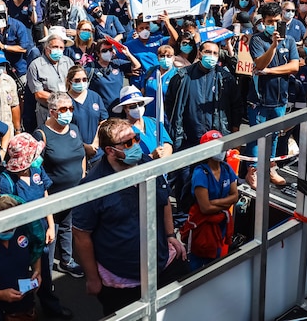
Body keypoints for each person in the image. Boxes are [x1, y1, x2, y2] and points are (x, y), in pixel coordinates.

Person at [73, 118, 187, 316]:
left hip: (160, 265)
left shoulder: (146, 163)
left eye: (136, 138)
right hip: (121, 281)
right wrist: (92, 277)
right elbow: (81, 234)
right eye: (128, 143)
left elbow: (164, 199)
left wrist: (170, 235)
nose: (135, 145)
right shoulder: (93, 186)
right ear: (110, 150)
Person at [0, 133, 71, 319]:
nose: (38, 158)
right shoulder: (6, 181)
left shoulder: (37, 170)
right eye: (34, 155)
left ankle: (51, 309)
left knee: (44, 274)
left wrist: (51, 225)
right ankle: (22, 310)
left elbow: (45, 196)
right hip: (19, 238)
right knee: (21, 277)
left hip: (42, 232)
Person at [244, 2, 300, 187]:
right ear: (263, 22)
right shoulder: (257, 40)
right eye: (269, 22)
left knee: (274, 135)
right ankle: (253, 171)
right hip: (259, 100)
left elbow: (294, 66)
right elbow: (259, 64)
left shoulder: (290, 40)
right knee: (256, 136)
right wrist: (273, 46)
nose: (274, 26)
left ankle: (270, 168)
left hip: (279, 99)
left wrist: (270, 72)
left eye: (277, 21)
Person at [33, 92, 86, 279]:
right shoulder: (41, 134)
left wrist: (82, 174)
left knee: (67, 226)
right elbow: (36, 168)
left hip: (74, 191)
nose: (69, 113)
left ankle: (67, 260)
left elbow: (81, 153)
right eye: (64, 109)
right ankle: (46, 275)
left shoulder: (73, 129)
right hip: (52, 196)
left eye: (71, 109)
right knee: (51, 233)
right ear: (52, 111)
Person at [165, 40, 243, 150]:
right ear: (199, 53)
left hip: (217, 139)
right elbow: (170, 104)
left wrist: (235, 136)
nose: (211, 56)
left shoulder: (226, 78)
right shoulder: (182, 77)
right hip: (188, 140)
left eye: (215, 53)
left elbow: (236, 106)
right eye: (208, 52)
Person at [179, 130, 238, 272]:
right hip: (201, 228)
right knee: (195, 267)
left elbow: (235, 196)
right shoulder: (200, 173)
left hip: (220, 227)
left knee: (214, 265)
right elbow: (204, 208)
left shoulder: (226, 169)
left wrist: (214, 203)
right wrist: (224, 203)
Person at [27, 27, 77, 127]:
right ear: (47, 48)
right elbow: (39, 94)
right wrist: (60, 100)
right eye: (55, 47)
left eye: (61, 47)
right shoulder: (36, 65)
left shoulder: (68, 62)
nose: (58, 50)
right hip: (47, 112)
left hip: (69, 110)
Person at [114, 85, 172, 159]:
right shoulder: (122, 132)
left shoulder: (153, 122)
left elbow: (167, 144)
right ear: (125, 108)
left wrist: (162, 157)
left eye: (140, 104)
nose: (138, 108)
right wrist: (150, 158)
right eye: (132, 106)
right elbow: (128, 159)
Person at [65, 65, 107, 165]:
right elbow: (63, 129)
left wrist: (95, 144)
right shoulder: (65, 100)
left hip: (97, 153)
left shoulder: (94, 96)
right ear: (69, 81)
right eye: (77, 80)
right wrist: (85, 147)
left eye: (84, 79)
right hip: (75, 154)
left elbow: (103, 121)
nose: (81, 83)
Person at [85, 38, 141, 111]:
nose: (108, 52)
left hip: (119, 109)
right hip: (101, 110)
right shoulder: (90, 67)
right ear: (98, 53)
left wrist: (128, 54)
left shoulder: (117, 63)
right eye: (104, 50)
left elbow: (137, 66)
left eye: (110, 50)